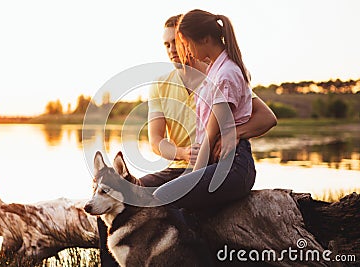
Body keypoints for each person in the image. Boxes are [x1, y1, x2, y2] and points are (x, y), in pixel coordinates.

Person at [97, 13, 277, 267]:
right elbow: (156, 140)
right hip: (181, 166)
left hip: (211, 166)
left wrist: (234, 134)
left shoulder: (217, 74)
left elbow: (266, 118)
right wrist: (182, 153)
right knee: (117, 199)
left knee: (176, 207)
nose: (172, 49)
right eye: (167, 44)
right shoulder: (162, 84)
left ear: (188, 41)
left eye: (177, 42)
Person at [153, 9, 269, 211]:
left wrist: (193, 177)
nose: (181, 49)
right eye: (168, 44)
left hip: (231, 164)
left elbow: (210, 134)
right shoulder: (217, 71)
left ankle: (190, 243)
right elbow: (156, 139)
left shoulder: (224, 75)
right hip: (216, 164)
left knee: (164, 196)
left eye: (184, 43)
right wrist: (185, 160)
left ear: (204, 39)